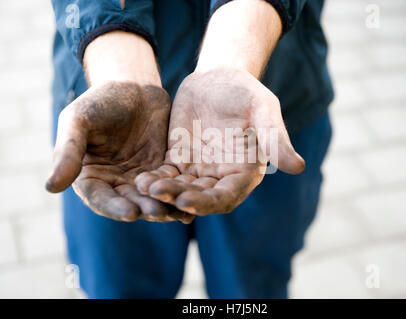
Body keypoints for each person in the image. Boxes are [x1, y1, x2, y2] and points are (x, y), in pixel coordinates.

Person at [47, 0, 333, 298]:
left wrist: (234, 55)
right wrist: (117, 54)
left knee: (251, 290)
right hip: (108, 131)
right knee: (120, 285)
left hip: (260, 114)